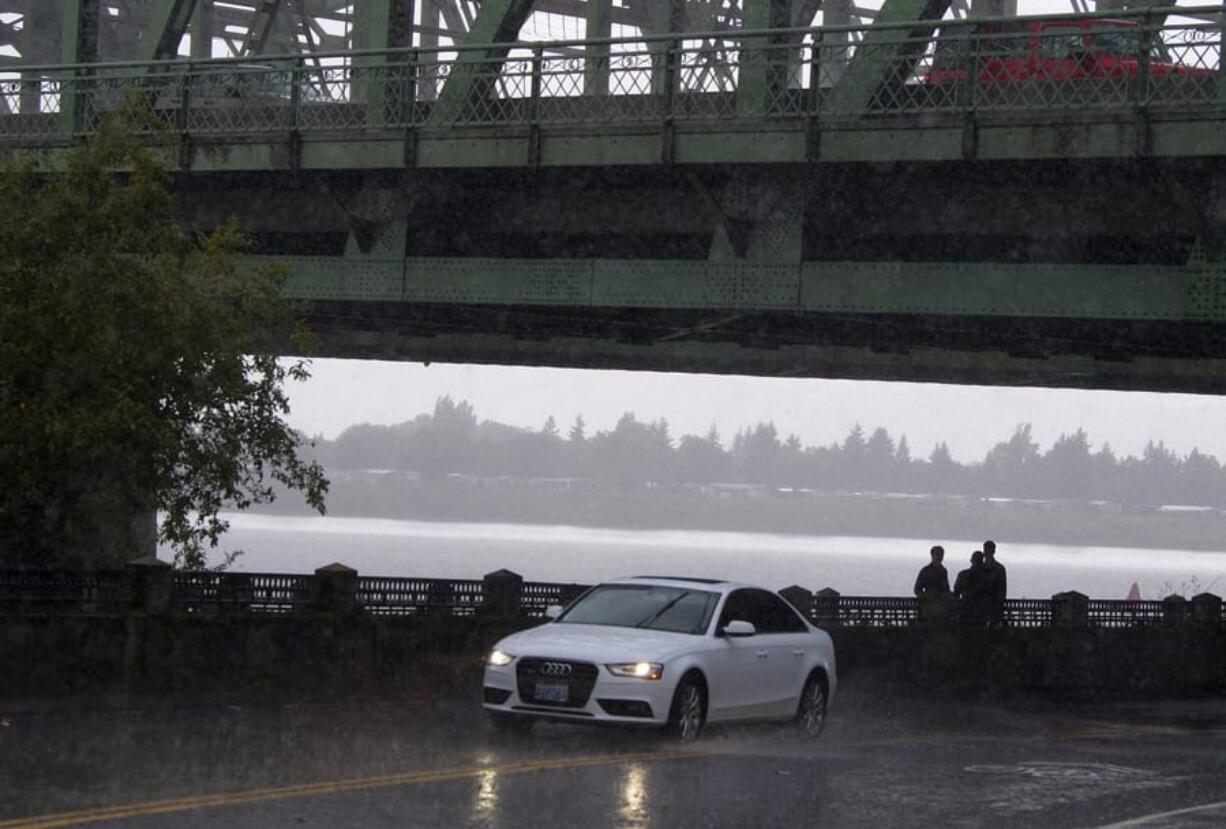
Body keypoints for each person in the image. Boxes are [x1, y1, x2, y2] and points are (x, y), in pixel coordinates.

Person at [914, 545, 951, 624]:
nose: (939, 557)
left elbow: (946, 589)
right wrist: (927, 595)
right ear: (932, 555)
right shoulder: (925, 571)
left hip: (941, 606)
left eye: (941, 555)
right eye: (937, 554)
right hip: (928, 606)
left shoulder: (943, 571)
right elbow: (917, 590)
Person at [954, 550, 987, 626]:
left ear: (971, 561)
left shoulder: (963, 574)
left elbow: (956, 593)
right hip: (980, 613)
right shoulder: (986, 576)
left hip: (966, 611)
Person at [982, 539, 1008, 627]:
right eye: (986, 549)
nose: (987, 552)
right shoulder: (999, 568)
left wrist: (998, 606)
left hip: (993, 607)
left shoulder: (999, 569)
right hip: (982, 607)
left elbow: (1002, 590)